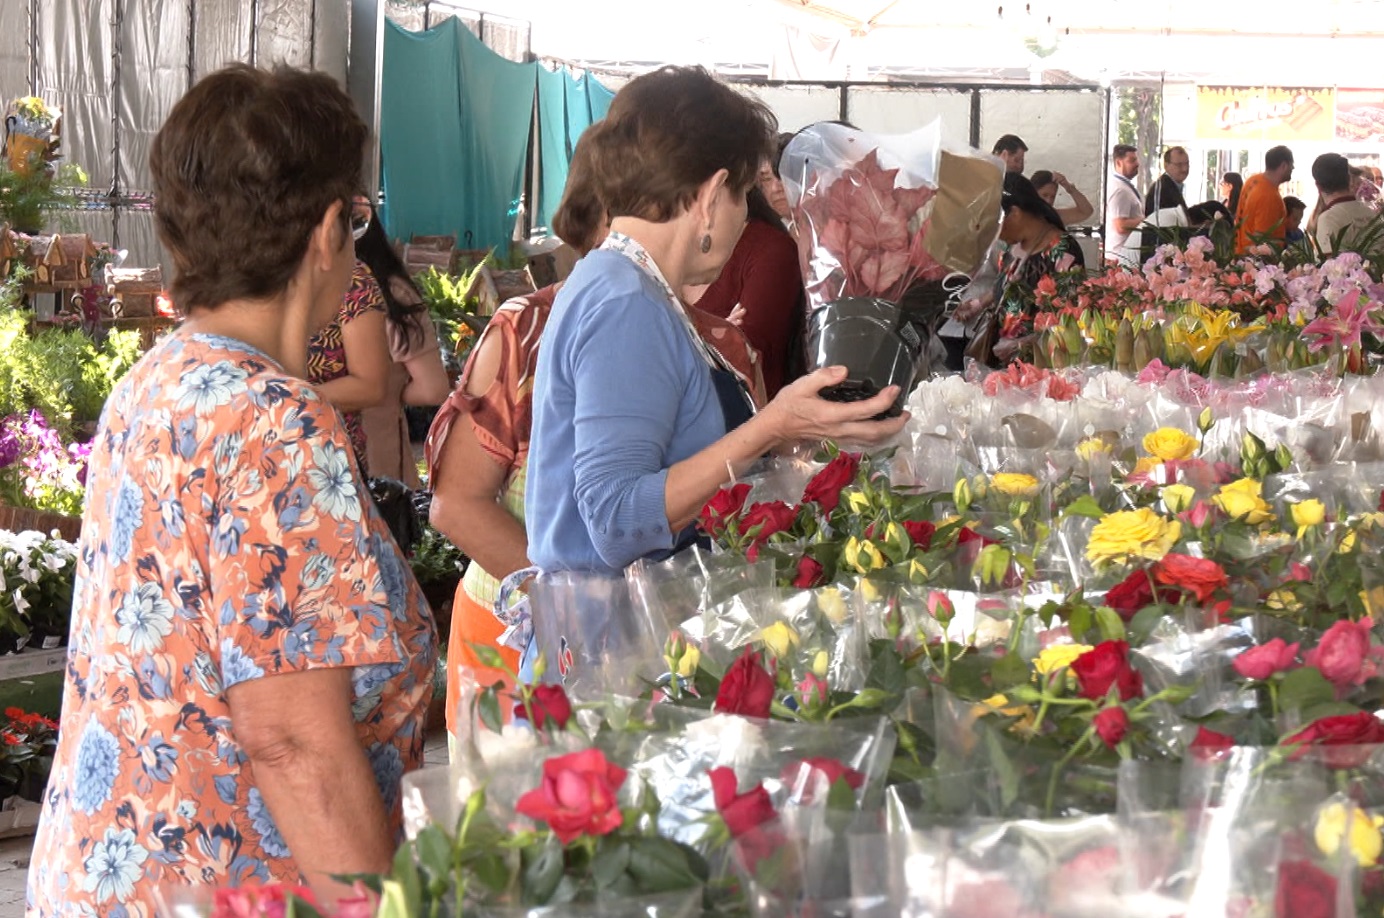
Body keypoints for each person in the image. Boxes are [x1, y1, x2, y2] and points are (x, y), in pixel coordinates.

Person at [26, 65, 436, 913]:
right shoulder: (279, 421)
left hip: (106, 875)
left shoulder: (154, 381)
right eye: (356, 218)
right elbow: (291, 739)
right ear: (328, 230)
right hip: (220, 888)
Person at [526, 65, 907, 581]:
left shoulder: (627, 282)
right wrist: (771, 426)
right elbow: (616, 521)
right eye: (742, 196)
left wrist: (793, 433)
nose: (744, 219)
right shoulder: (625, 300)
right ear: (710, 196)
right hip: (617, 635)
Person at [355, 202, 451, 487]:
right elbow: (433, 387)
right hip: (379, 464)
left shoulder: (294, 292)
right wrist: (388, 390)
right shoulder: (393, 292)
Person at [954, 173, 1085, 365]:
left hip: (1040, 367)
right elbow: (1007, 284)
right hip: (1001, 362)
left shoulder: (1063, 251)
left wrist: (1023, 344)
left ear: (1014, 213)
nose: (995, 234)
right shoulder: (1010, 247)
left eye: (995, 225)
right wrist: (979, 304)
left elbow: (1071, 321)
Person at [689, 184, 804, 397]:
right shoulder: (649, 261)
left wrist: (711, 340)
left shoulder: (770, 252)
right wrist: (717, 336)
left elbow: (744, 363)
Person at [307, 254, 393, 474]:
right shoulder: (242, 269)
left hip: (328, 459)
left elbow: (370, 387)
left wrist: (279, 401)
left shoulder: (347, 275)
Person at [1312, 152, 1376, 255]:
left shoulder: (1329, 218)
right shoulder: (1373, 212)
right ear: (1349, 179)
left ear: (1318, 186)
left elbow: (1329, 266)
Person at [1235, 145, 1294, 253]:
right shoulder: (1269, 197)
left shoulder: (1253, 180)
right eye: (1292, 165)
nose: (1293, 169)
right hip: (1256, 262)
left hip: (1240, 251)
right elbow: (1261, 241)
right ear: (1284, 166)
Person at [1105, 144, 1143, 267]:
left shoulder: (1123, 186)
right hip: (1119, 259)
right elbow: (1121, 226)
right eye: (1131, 161)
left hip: (1124, 256)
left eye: (1136, 159)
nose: (1137, 164)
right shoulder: (1120, 190)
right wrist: (1147, 221)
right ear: (1119, 163)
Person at [1029, 169, 1094, 225]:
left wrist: (1069, 188)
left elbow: (1086, 212)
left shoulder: (1054, 217)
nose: (1049, 201)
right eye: (1045, 195)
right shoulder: (1021, 216)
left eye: (1052, 197)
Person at [1145, 146, 1190, 217]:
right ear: (1166, 166)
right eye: (1179, 165)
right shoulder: (1162, 189)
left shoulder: (1172, 186)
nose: (1184, 169)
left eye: (1187, 164)